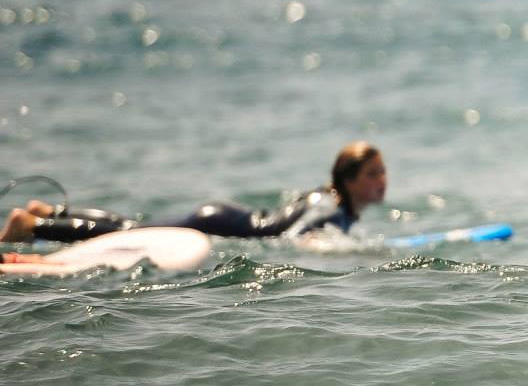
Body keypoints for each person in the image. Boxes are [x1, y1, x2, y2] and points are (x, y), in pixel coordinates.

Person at [2, 142, 388, 244]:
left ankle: (47, 214)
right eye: (373, 174)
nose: (382, 181)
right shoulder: (330, 206)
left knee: (132, 226)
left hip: (223, 217)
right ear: (349, 180)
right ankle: (33, 227)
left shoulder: (331, 200)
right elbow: (296, 235)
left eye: (382, 171)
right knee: (129, 233)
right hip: (221, 223)